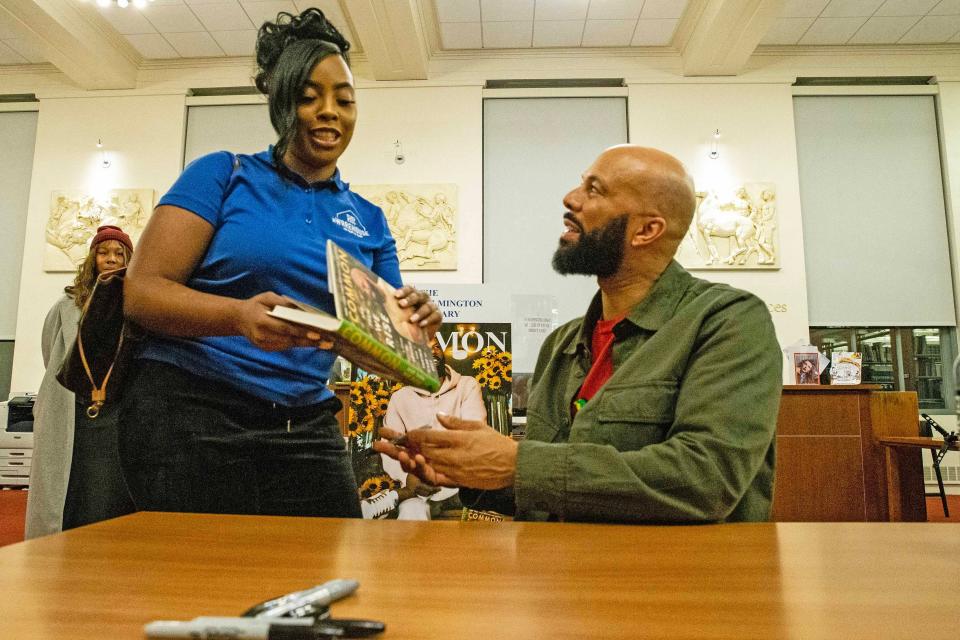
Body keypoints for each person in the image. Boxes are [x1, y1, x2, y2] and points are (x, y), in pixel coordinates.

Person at [118, 8, 441, 519]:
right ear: (281, 103)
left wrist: (416, 323)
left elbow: (388, 347)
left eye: (344, 99)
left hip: (305, 420)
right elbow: (140, 293)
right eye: (309, 97)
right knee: (203, 582)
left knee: (321, 575)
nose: (329, 111)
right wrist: (237, 317)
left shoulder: (370, 220)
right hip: (193, 409)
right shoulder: (224, 175)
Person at [376, 145, 783, 524]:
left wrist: (517, 464)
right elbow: (554, 493)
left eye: (594, 190)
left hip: (676, 588)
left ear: (646, 231)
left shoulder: (728, 321)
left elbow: (706, 478)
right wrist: (466, 470)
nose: (570, 199)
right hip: (562, 582)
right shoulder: (562, 344)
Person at [25, 225, 136, 538]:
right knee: (69, 491)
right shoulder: (66, 305)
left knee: (108, 495)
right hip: (73, 410)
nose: (111, 259)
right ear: (93, 258)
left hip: (116, 413)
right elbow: (53, 354)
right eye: (104, 252)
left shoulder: (136, 305)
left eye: (119, 253)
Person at [380, 339, 486, 519]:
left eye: (436, 347)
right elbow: (391, 449)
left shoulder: (467, 386)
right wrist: (407, 478)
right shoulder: (400, 398)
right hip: (417, 485)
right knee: (411, 513)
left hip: (459, 483)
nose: (432, 352)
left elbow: (473, 433)